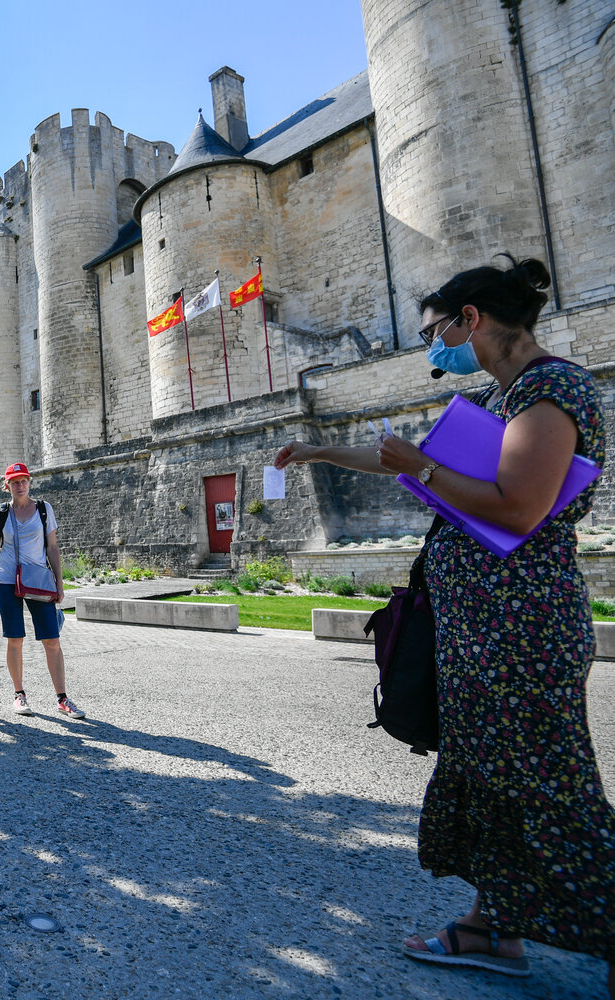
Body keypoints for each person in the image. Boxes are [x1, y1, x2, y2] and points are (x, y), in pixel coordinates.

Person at [274, 256, 613, 994]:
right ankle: (492, 926)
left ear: (474, 320)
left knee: (547, 783)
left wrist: (421, 472)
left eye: (435, 332)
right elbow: (402, 459)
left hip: (520, 630)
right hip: (484, 628)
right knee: (494, 780)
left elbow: (519, 507)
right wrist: (315, 449)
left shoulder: (551, 389)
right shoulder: (505, 397)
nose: (432, 348)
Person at [0, 462, 83, 719]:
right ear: (7, 486)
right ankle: (19, 694)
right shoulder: (0, 513)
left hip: (38, 580)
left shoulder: (44, 510)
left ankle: (62, 698)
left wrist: (59, 583)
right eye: (14, 481)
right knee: (15, 639)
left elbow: (53, 548)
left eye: (24, 480)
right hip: (6, 580)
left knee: (52, 640)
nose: (20, 485)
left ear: (30, 482)